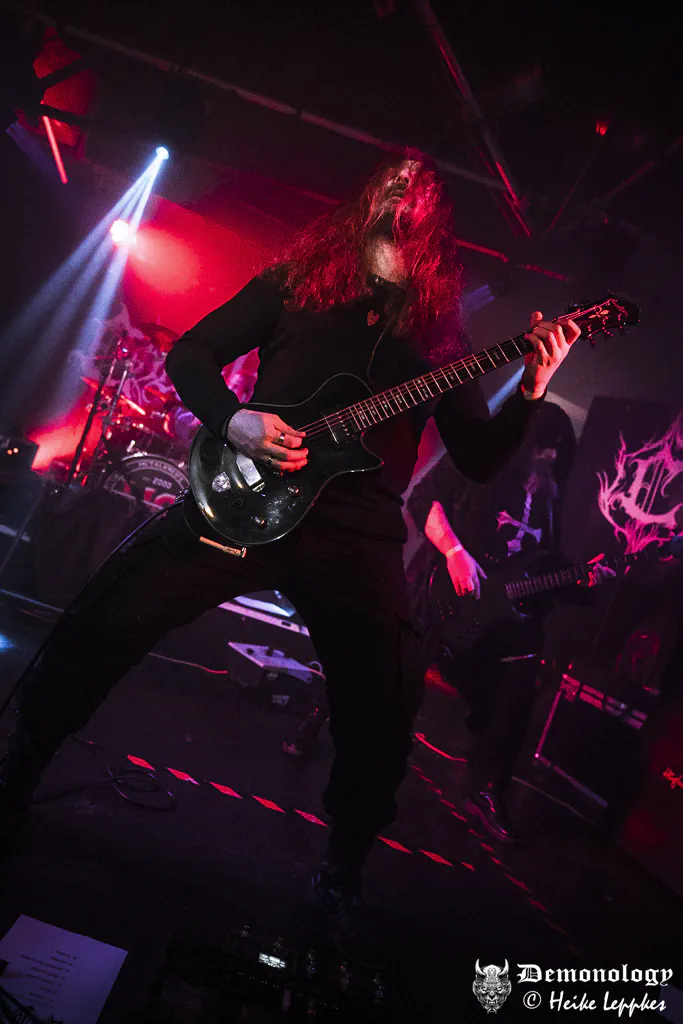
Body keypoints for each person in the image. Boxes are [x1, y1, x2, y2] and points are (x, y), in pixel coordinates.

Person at [0, 152, 581, 964]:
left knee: (383, 705)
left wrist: (529, 389)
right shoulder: (297, 284)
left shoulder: (441, 336)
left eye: (419, 183)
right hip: (243, 498)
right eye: (391, 175)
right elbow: (190, 355)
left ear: (432, 218)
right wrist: (233, 420)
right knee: (111, 615)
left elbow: (479, 461)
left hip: (356, 534)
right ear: (365, 198)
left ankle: (341, 872)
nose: (402, 185)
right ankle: (20, 772)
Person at [406, 401, 613, 843]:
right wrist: (454, 552)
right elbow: (424, 497)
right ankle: (328, 721)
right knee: (389, 666)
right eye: (544, 447)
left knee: (519, 688)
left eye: (559, 449)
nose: (551, 456)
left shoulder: (551, 500)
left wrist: (584, 580)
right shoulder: (481, 461)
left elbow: (543, 568)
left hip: (501, 623)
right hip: (444, 596)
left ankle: (486, 788)